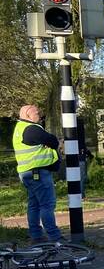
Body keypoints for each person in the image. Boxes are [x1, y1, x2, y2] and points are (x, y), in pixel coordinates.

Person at [13, 104, 63, 242]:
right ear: (28, 115)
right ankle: (55, 236)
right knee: (47, 204)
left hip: (27, 172)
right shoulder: (31, 129)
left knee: (34, 204)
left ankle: (36, 236)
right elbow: (52, 141)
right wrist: (52, 142)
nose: (39, 115)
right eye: (37, 113)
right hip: (38, 172)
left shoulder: (19, 128)